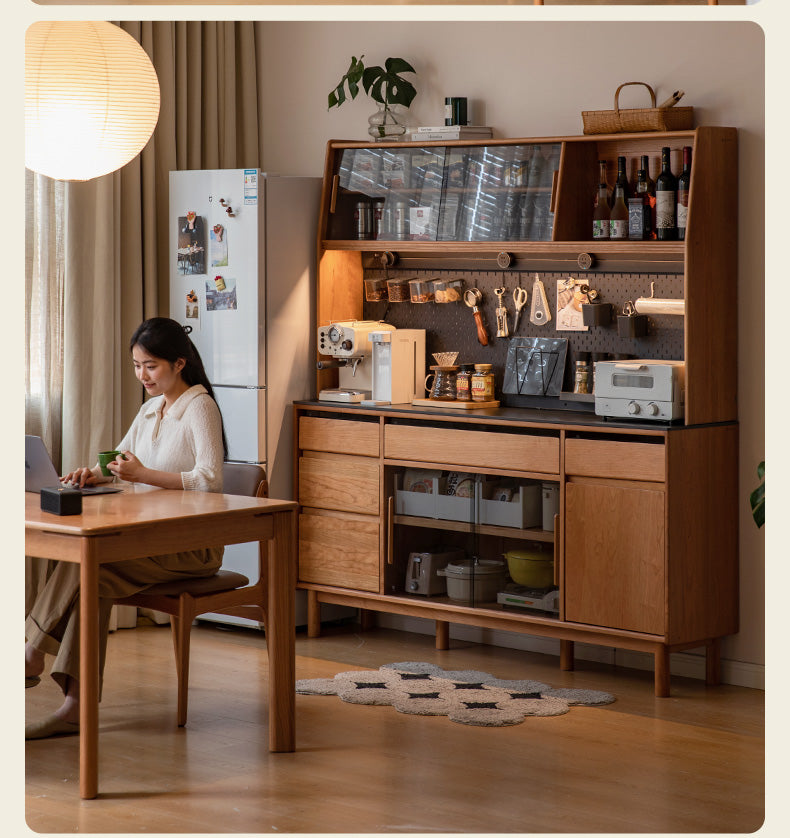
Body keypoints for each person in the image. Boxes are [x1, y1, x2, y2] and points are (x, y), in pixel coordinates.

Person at [25, 317, 227, 740]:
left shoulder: (199, 406)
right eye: (137, 366)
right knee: (89, 571)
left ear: (179, 362)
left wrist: (146, 474)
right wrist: (99, 475)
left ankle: (30, 653)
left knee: (87, 566)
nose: (143, 376)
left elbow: (210, 479)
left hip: (191, 547)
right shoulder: (150, 407)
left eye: (151, 366)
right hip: (148, 539)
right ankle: (74, 709)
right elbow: (122, 465)